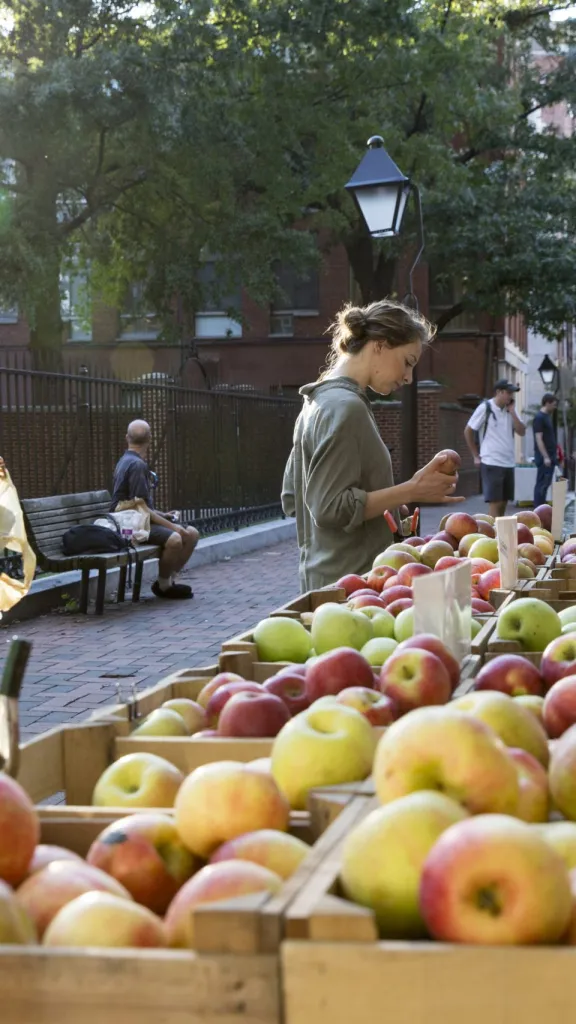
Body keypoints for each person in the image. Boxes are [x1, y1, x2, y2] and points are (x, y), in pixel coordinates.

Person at [281, 300, 465, 592]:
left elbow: (293, 499)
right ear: (379, 345)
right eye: (408, 362)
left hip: (322, 582)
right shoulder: (347, 407)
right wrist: (412, 489)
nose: (408, 377)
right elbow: (329, 508)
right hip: (354, 586)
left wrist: (388, 504)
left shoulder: (315, 402)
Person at [111, 420, 199, 600]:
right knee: (176, 539)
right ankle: (164, 586)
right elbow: (140, 509)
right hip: (129, 526)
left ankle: (168, 580)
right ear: (150, 439)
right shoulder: (137, 465)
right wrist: (173, 527)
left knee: (192, 533)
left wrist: (164, 515)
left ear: (127, 438)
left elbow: (138, 506)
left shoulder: (126, 461)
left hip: (134, 519)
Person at [464, 380, 526, 520]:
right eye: (508, 393)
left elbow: (521, 431)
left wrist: (512, 413)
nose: (511, 396)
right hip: (491, 461)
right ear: (499, 392)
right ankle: (491, 535)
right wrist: (475, 455)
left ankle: (500, 534)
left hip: (508, 462)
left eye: (512, 393)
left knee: (504, 503)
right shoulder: (485, 408)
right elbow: (468, 430)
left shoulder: (511, 410)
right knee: (495, 502)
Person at [532, 392, 558, 507]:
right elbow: (539, 438)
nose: (554, 407)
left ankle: (541, 506)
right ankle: (538, 507)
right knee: (542, 483)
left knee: (546, 483)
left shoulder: (547, 417)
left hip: (550, 455)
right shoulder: (539, 418)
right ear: (547, 403)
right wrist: (546, 456)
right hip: (544, 457)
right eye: (553, 404)